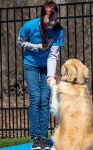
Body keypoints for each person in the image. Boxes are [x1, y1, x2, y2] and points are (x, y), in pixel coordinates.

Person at [17, 1, 64, 150]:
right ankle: (35, 137)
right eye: (51, 18)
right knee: (36, 97)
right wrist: (34, 47)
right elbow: (20, 41)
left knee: (45, 99)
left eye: (56, 18)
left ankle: (42, 137)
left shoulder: (58, 31)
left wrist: (51, 75)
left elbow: (53, 56)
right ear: (43, 16)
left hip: (46, 68)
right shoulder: (30, 26)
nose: (54, 22)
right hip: (30, 65)